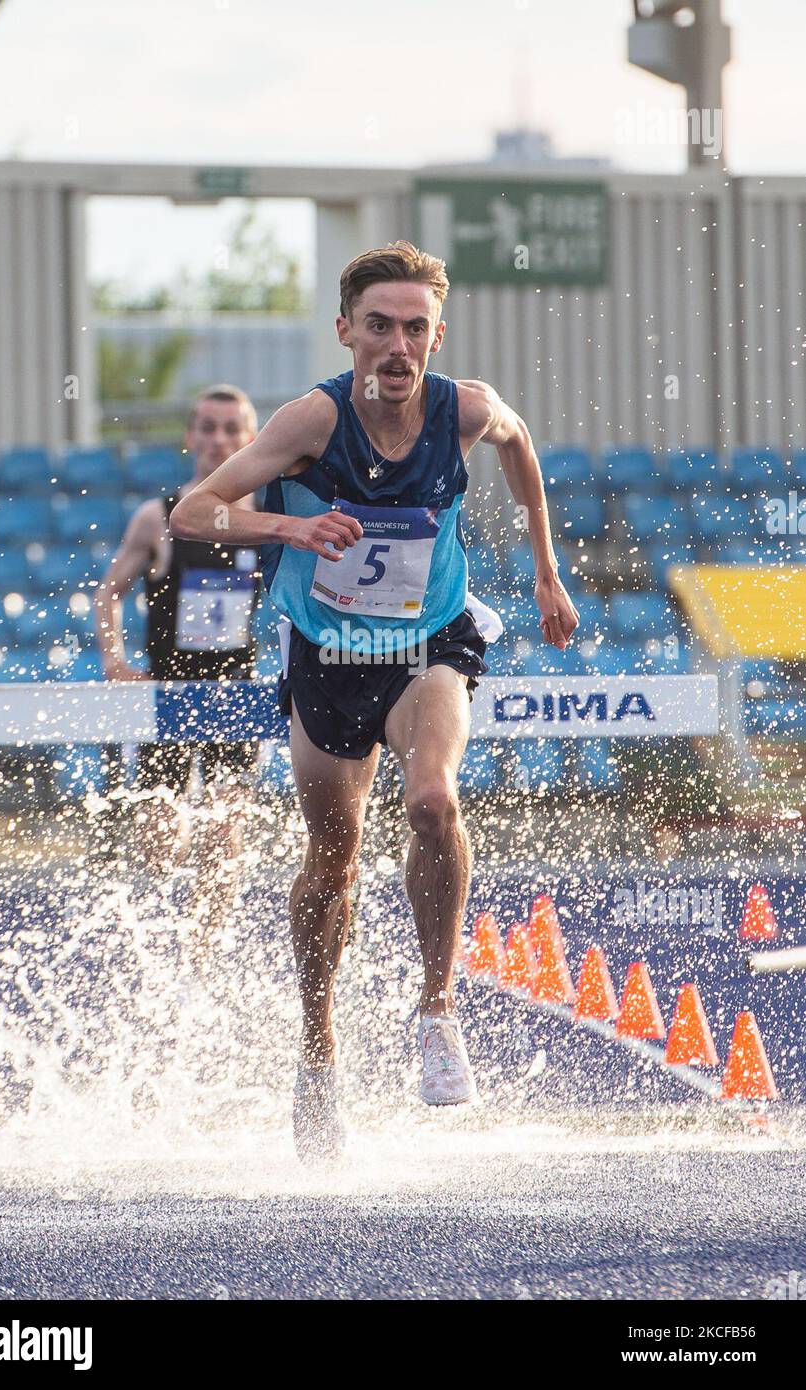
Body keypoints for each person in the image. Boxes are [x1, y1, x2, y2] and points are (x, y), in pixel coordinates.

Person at [170, 243, 578, 1160]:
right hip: (329, 651)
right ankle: (317, 1054)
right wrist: (292, 526)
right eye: (381, 327)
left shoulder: (463, 407)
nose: (399, 347)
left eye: (416, 328)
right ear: (347, 329)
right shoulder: (309, 420)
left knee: (433, 799)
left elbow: (521, 451)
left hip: (428, 640)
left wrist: (547, 575)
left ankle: (436, 1011)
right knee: (333, 858)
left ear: (438, 333)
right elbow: (194, 512)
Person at [94, 385, 260, 944]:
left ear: (251, 439)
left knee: (225, 827)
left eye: (231, 429)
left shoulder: (265, 518)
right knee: (161, 846)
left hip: (234, 695)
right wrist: (115, 663)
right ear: (190, 437)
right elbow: (109, 592)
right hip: (167, 696)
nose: (219, 440)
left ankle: (203, 947)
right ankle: (163, 931)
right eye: (208, 428)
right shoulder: (157, 518)